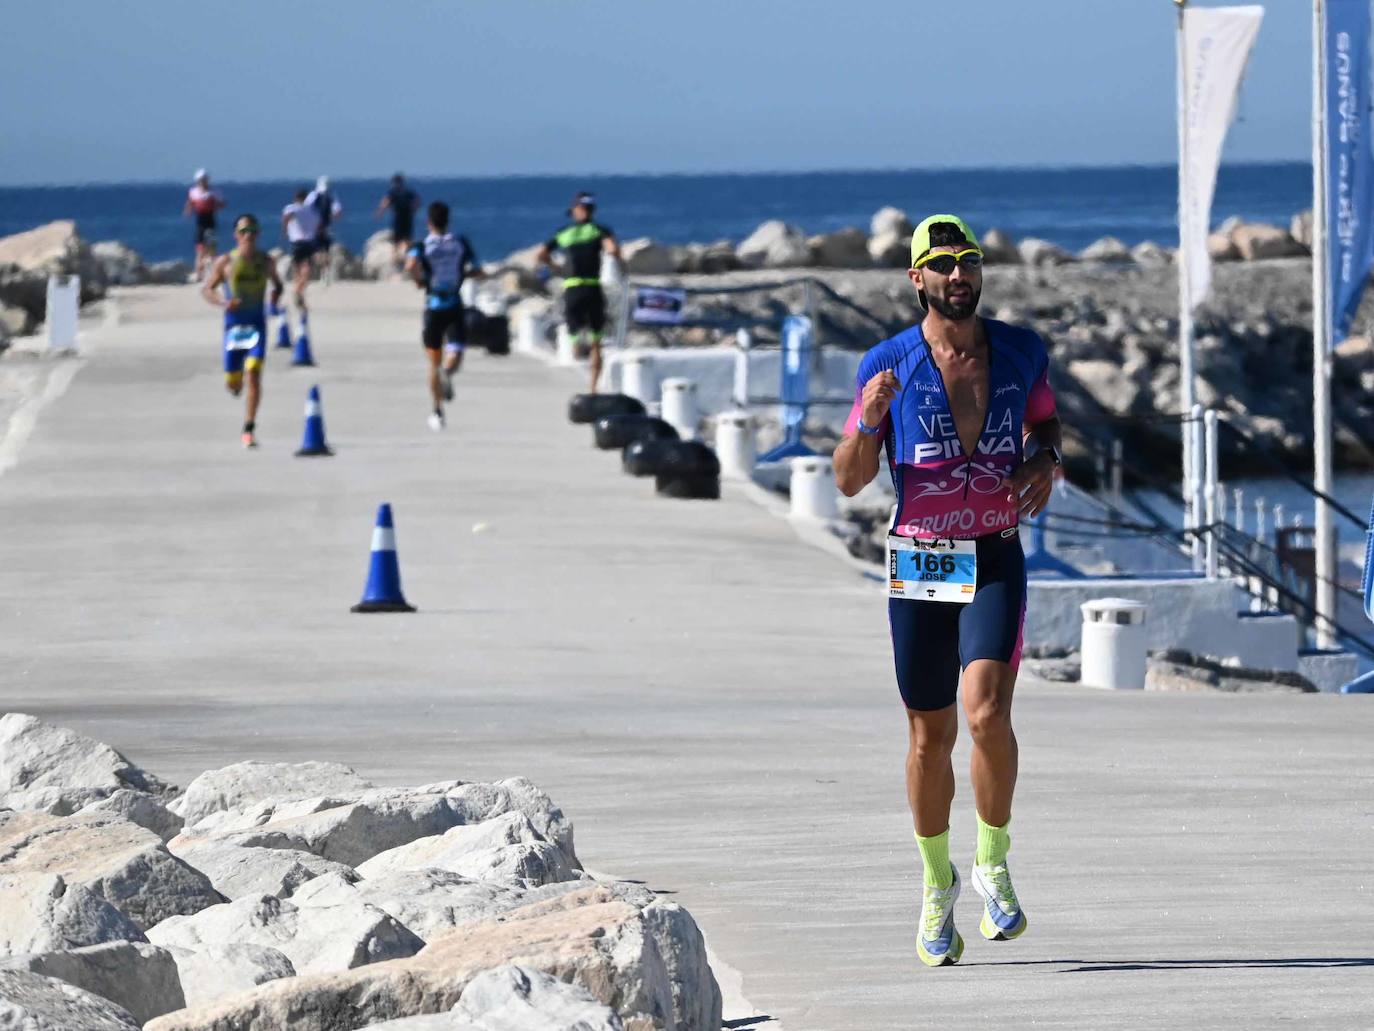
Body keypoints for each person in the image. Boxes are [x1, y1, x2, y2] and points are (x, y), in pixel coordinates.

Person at [832, 215, 1062, 968]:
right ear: (916, 279)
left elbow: (1045, 422)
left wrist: (1046, 459)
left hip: (994, 553)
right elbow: (848, 478)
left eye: (968, 261)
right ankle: (939, 882)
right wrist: (868, 422)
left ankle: (994, 859)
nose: (958, 274)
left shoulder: (1022, 350)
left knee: (987, 712)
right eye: (941, 264)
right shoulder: (888, 362)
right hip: (922, 565)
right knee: (930, 739)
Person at [202, 214, 284, 448]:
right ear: (236, 235)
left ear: (258, 234)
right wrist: (223, 303)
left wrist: (275, 299)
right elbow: (207, 289)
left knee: (254, 373)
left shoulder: (266, 261)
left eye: (253, 230)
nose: (248, 235)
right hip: (234, 329)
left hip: (256, 325)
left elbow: (278, 284)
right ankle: (235, 384)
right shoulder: (226, 262)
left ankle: (249, 427)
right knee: (234, 382)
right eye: (244, 231)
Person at [404, 201, 483, 430]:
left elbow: (410, 265)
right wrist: (468, 274)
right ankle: (448, 372)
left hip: (433, 306)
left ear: (429, 222)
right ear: (448, 221)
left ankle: (437, 410)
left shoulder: (422, 245)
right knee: (456, 351)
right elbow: (476, 268)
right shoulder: (460, 243)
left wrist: (419, 280)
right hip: (454, 304)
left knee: (433, 363)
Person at [536, 192, 621, 393]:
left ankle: (575, 345)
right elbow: (613, 250)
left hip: (572, 287)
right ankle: (593, 387)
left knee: (574, 329)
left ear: (576, 211)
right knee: (596, 341)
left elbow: (541, 254)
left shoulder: (564, 233)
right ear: (592, 211)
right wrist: (619, 262)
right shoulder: (600, 230)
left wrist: (556, 267)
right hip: (592, 287)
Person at [281, 189, 323, 314]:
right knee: (306, 270)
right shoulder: (312, 210)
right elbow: (319, 226)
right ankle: (299, 294)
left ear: (296, 198)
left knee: (298, 270)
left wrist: (285, 229)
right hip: (308, 242)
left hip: (296, 242)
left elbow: (287, 215)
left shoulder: (294, 207)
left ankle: (298, 292)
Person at [184, 170, 225, 282]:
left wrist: (214, 205)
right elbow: (189, 204)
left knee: (212, 251)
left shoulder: (214, 192)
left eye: (204, 179)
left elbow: (222, 204)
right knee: (200, 251)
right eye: (200, 180)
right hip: (200, 224)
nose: (202, 182)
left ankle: (214, 274)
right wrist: (188, 210)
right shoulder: (193, 192)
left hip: (211, 224)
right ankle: (199, 274)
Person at [376, 173, 420, 267]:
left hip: (400, 220)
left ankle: (397, 260)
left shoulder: (394, 192)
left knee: (398, 242)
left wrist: (380, 212)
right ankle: (406, 259)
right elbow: (416, 202)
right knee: (406, 241)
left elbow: (385, 203)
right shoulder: (407, 192)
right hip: (406, 219)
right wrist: (414, 210)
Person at [307, 176, 342, 281]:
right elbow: (338, 213)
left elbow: (306, 209)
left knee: (316, 251)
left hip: (314, 227)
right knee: (326, 250)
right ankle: (325, 273)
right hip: (326, 227)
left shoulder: (313, 195)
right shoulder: (331, 197)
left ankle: (319, 272)